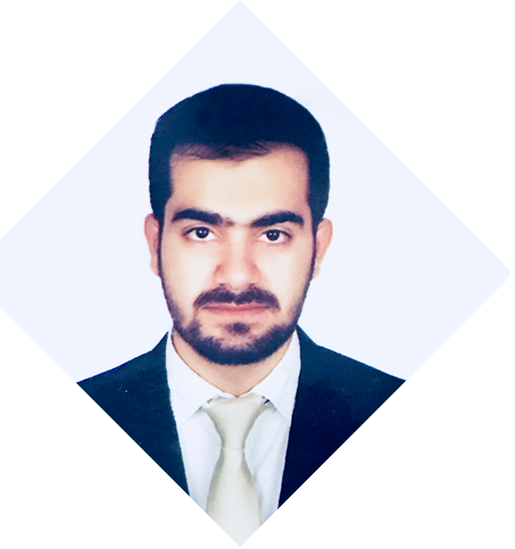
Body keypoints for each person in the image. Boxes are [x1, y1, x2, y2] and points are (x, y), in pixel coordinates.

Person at [60, 84, 421, 547]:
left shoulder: (421, 435)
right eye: (201, 232)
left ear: (318, 247)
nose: (235, 275)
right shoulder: (49, 442)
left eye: (273, 234)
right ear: (154, 244)